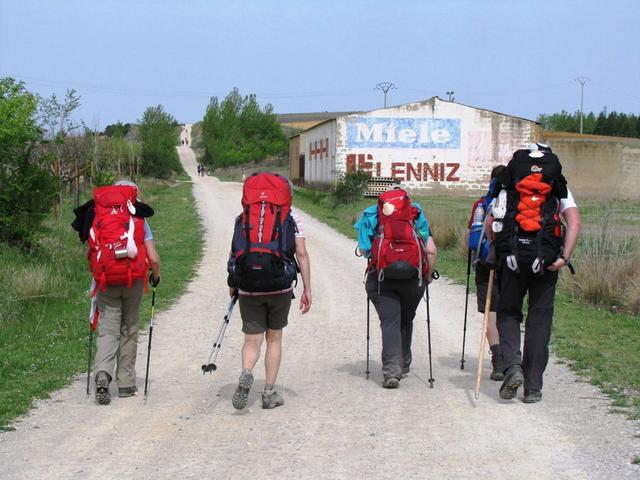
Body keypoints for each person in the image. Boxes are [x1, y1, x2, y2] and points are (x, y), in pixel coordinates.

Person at [489, 144, 580, 403]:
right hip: (547, 259)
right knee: (539, 319)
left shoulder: (509, 183)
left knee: (508, 313)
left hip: (513, 259)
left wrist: (497, 255)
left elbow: (491, 223)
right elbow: (574, 221)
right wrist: (564, 257)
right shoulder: (557, 186)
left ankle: (512, 366)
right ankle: (533, 387)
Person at [228, 173, 311, 410]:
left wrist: (233, 282)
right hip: (280, 285)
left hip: (249, 285)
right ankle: (269, 392)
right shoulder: (292, 219)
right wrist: (307, 288)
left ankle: (246, 372)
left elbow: (234, 251)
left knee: (252, 339)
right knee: (274, 337)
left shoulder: (243, 218)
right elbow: (302, 255)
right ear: (287, 196)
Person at [354, 187, 437, 388]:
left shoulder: (372, 214)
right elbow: (431, 251)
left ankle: (392, 371)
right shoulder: (416, 214)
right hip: (413, 279)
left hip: (382, 278)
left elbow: (365, 250)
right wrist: (426, 275)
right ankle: (404, 363)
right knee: (406, 319)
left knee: (390, 320)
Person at [92, 180, 161, 405]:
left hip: (107, 280)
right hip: (133, 281)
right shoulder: (139, 218)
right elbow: (153, 258)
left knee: (108, 330)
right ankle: (125, 383)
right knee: (129, 328)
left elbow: (93, 249)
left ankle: (103, 373)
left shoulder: (100, 215)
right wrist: (156, 275)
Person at [466, 165, 506, 381]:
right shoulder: (516, 202)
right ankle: (511, 359)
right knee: (508, 311)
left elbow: (471, 238)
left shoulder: (482, 203)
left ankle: (498, 362)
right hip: (512, 264)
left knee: (491, 312)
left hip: (485, 263)